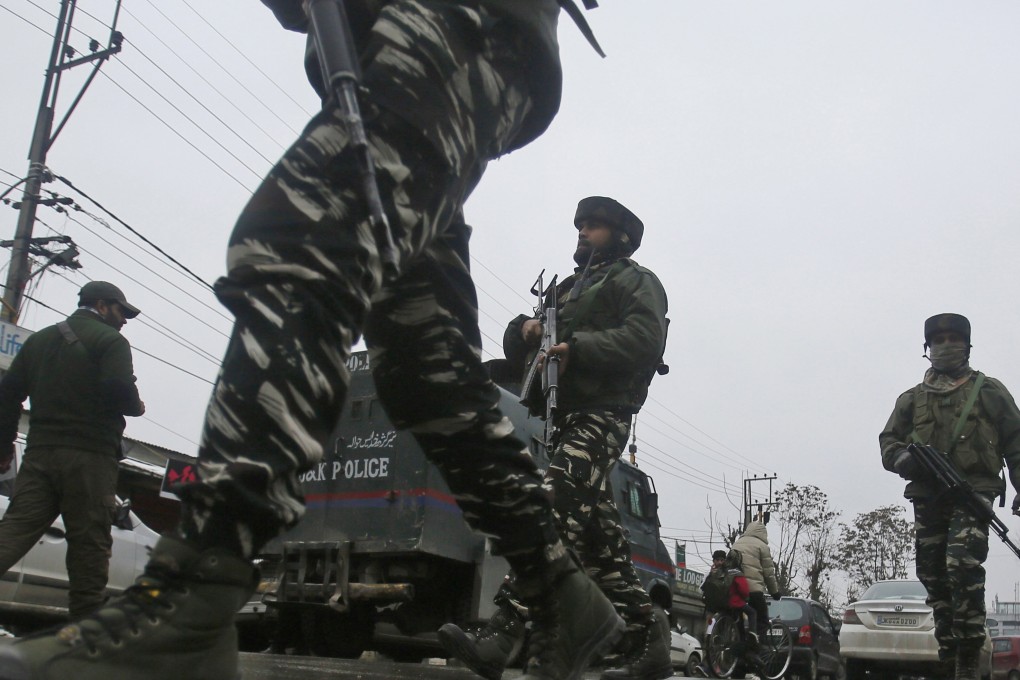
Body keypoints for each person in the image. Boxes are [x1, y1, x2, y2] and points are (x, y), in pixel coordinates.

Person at [0, 3, 628, 680]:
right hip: (415, 47)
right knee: (424, 359)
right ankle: (559, 588)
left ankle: (193, 596)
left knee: (297, 236)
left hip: (456, 26)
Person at [438, 196, 671, 680]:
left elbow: (644, 341)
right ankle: (647, 637)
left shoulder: (637, 281)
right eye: (580, 225)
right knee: (602, 544)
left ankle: (505, 631)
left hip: (604, 413)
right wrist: (523, 329)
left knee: (551, 508)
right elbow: (523, 340)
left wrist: (577, 348)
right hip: (564, 417)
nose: (583, 232)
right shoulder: (567, 290)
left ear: (622, 235)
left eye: (595, 226)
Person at [880, 313, 1020, 680]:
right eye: (938, 339)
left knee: (962, 566)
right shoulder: (912, 398)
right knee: (932, 574)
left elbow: (1016, 442)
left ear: (967, 345)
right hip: (928, 495)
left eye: (953, 338)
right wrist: (903, 457)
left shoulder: (989, 391)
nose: (945, 345)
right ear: (927, 348)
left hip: (973, 492)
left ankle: (969, 654)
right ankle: (949, 652)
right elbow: (888, 442)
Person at [0, 281, 145, 618]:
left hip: (40, 455)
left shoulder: (38, 341)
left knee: (14, 531)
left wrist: (5, 446)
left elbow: (7, 395)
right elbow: (117, 387)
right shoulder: (111, 341)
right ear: (102, 305)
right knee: (90, 545)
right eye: (121, 311)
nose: (124, 320)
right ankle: (85, 636)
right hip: (90, 458)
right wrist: (137, 406)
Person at [731, 518, 781, 639]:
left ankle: (741, 644)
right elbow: (768, 573)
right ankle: (757, 647)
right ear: (763, 533)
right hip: (754, 590)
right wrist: (774, 592)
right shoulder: (762, 546)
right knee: (762, 619)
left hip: (736, 588)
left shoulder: (737, 543)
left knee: (738, 620)